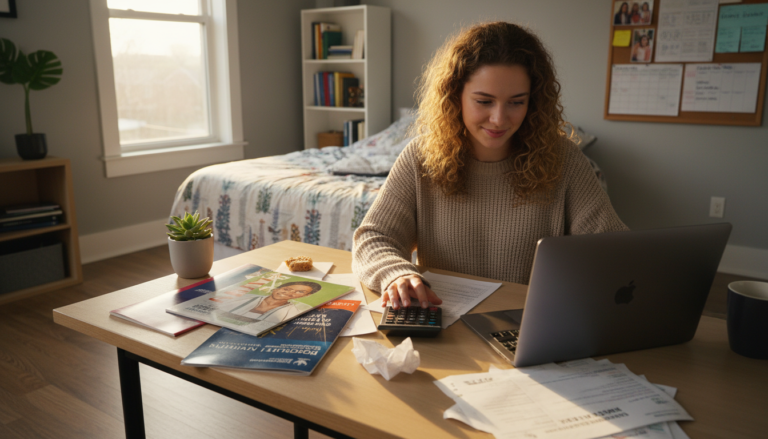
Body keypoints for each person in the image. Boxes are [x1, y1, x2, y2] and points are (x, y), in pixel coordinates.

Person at [351, 22, 627, 310]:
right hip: (445, 327)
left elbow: (612, 249)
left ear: (533, 102)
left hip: (527, 328)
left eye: (516, 102)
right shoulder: (419, 157)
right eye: (484, 101)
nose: (499, 119)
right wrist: (396, 273)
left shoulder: (564, 159)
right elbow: (374, 237)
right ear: (454, 95)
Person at [218, 281, 322, 322]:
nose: (289, 293)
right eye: (286, 288)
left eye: (299, 292)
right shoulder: (243, 298)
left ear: (306, 295)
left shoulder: (295, 313)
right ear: (276, 288)